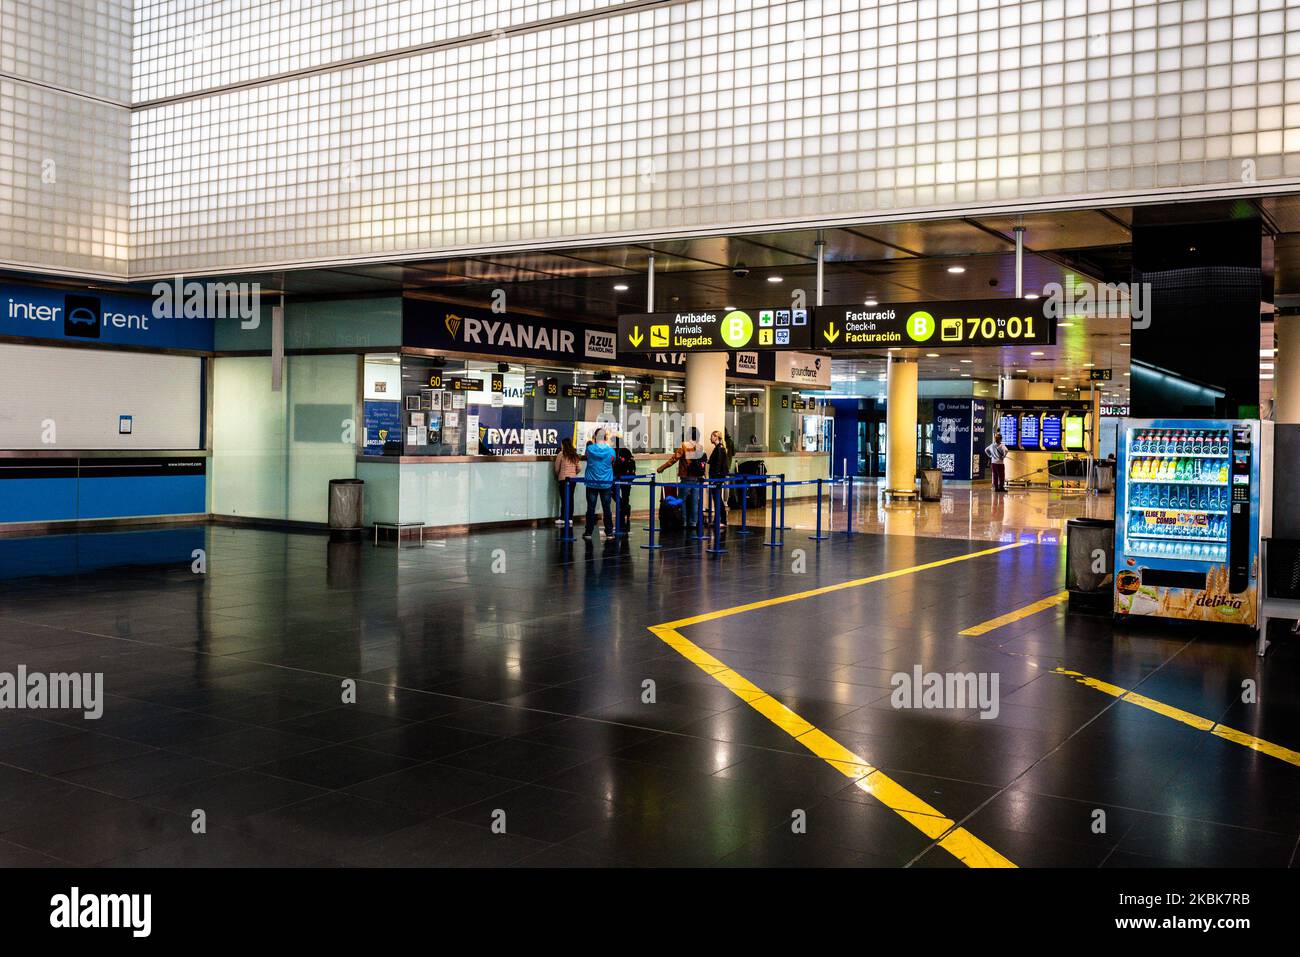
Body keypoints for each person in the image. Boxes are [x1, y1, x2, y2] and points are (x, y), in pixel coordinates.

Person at [657, 427, 706, 528]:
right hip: (697, 478)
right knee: (694, 501)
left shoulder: (684, 445)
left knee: (681, 500)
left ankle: (683, 521)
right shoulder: (700, 447)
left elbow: (674, 459)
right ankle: (693, 522)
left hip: (686, 477)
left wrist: (662, 468)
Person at [582, 429, 616, 539]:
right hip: (606, 483)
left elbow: (586, 457)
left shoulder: (590, 449)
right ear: (605, 437)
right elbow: (612, 461)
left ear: (595, 436)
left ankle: (588, 532)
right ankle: (609, 532)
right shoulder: (611, 451)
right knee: (607, 508)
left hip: (591, 482)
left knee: (591, 508)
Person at [553, 438, 580, 524]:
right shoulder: (574, 454)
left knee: (564, 499)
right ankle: (570, 518)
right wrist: (574, 473)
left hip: (563, 479)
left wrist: (559, 475)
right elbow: (579, 468)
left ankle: (563, 518)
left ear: (563, 445)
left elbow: (557, 468)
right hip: (573, 479)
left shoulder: (561, 454)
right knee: (570, 498)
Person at [707, 429, 730, 528]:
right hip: (716, 477)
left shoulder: (719, 448)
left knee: (718, 499)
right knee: (716, 499)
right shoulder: (719, 448)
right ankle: (717, 519)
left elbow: (718, 464)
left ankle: (723, 520)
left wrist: (715, 478)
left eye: (712, 436)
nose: (710, 438)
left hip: (717, 478)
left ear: (716, 437)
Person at [613, 446, 637, 530]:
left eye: (622, 457)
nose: (621, 458)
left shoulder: (630, 462)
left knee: (625, 497)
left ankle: (623, 512)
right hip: (619, 481)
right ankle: (625, 507)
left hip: (626, 481)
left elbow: (633, 473)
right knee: (614, 493)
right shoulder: (619, 461)